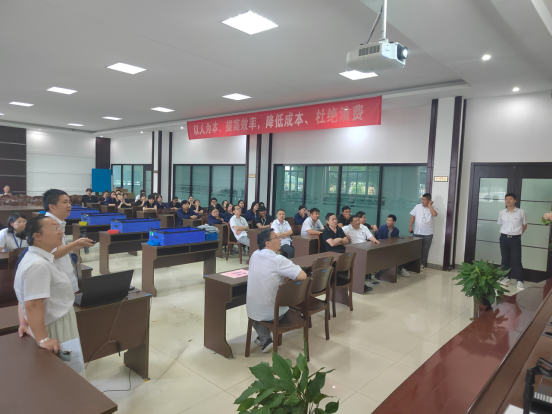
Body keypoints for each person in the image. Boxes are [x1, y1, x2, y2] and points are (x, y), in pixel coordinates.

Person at [14, 216, 84, 374]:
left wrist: (24, 322)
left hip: (57, 318)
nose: (60, 232)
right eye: (54, 228)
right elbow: (32, 305)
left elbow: (25, 297)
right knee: (66, 371)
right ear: (37, 236)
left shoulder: (40, 258)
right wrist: (43, 339)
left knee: (67, 369)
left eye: (59, 228)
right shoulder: (38, 265)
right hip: (55, 325)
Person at [246, 228, 307, 352]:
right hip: (274, 313)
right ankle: (265, 338)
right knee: (283, 305)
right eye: (276, 237)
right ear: (267, 243)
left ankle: (264, 338)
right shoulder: (278, 260)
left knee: (256, 312)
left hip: (253, 311)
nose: (280, 239)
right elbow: (303, 276)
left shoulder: (255, 254)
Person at [43, 189, 94, 293]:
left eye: (69, 202)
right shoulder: (47, 225)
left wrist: (73, 245)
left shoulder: (58, 223)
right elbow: (52, 254)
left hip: (64, 278)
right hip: (56, 283)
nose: (69, 205)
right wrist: (74, 244)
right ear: (52, 207)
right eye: (65, 202)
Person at [498, 193, 527, 291]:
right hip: (503, 238)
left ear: (515, 200)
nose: (508, 201)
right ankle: (506, 278)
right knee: (505, 259)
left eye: (510, 199)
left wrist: (518, 234)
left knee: (516, 260)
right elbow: (502, 224)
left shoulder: (521, 212)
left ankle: (520, 281)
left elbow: (524, 225)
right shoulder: (502, 212)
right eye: (506, 199)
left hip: (515, 239)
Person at [343, 215, 379, 291]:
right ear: (351, 223)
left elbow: (370, 236)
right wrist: (345, 234)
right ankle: (360, 283)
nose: (358, 222)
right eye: (355, 221)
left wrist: (375, 240)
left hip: (365, 247)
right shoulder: (346, 228)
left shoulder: (364, 227)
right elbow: (339, 232)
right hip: (354, 249)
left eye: (358, 220)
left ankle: (369, 276)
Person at [409, 193, 438, 269]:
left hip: (428, 233)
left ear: (429, 200)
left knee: (425, 250)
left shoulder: (433, 208)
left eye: (424, 200)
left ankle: (421, 265)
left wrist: (429, 205)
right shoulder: (417, 206)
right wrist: (410, 227)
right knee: (414, 248)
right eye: (422, 199)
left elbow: (434, 214)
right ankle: (413, 264)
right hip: (417, 232)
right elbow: (413, 216)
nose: (422, 201)